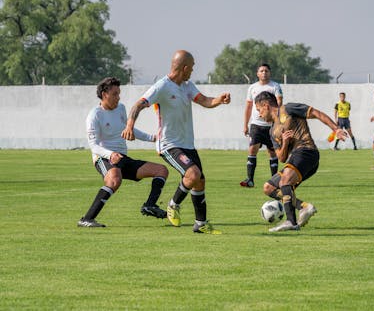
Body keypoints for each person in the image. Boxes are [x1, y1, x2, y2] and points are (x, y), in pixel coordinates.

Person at [122, 50, 231, 234]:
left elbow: (205, 101)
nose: (193, 71)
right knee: (193, 174)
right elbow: (139, 104)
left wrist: (219, 100)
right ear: (184, 67)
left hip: (187, 143)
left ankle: (200, 224)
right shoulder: (162, 86)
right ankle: (173, 204)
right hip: (169, 144)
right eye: (192, 67)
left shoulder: (187, 86)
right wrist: (130, 125)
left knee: (199, 181)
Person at [79, 77, 169, 228]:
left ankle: (150, 205)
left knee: (161, 170)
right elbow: (93, 146)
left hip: (123, 158)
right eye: (115, 93)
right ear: (104, 94)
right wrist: (110, 155)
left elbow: (128, 128)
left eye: (119, 93)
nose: (118, 97)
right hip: (104, 158)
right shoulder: (94, 115)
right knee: (114, 179)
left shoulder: (121, 108)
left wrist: (152, 138)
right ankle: (87, 219)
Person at [254, 91, 347, 232]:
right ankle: (304, 207)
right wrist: (285, 143)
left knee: (285, 181)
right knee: (269, 188)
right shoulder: (272, 131)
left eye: (259, 110)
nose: (259, 114)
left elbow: (316, 113)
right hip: (296, 158)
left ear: (266, 105)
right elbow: (281, 157)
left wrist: (336, 129)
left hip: (307, 151)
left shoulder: (288, 109)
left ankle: (291, 222)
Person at [240, 63, 283, 188]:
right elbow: (248, 107)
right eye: (261, 71)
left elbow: (279, 102)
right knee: (252, 150)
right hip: (256, 125)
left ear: (270, 73)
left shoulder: (275, 86)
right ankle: (250, 179)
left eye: (266, 71)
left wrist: (273, 116)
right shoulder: (252, 88)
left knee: (272, 153)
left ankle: (274, 181)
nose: (264, 73)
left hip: (271, 125)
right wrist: (245, 125)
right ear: (257, 73)